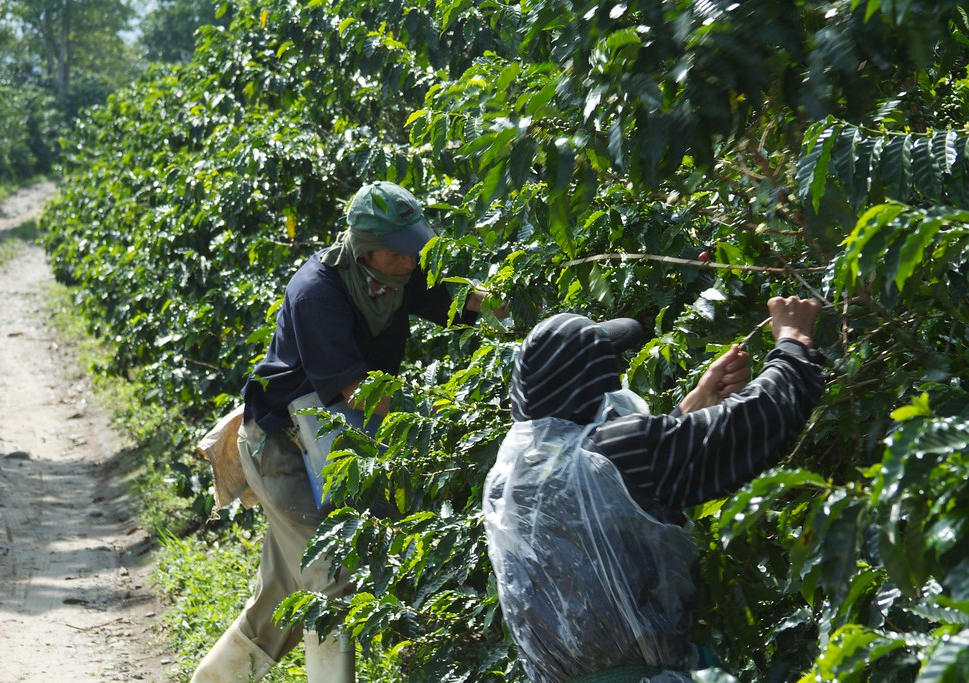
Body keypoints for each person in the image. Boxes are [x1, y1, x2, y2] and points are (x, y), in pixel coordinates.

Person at [192, 181, 493, 683]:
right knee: (332, 584)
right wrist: (442, 418)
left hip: (330, 445)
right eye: (402, 252)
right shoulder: (317, 292)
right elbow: (357, 392)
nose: (413, 261)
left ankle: (214, 680)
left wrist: (516, 299)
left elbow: (464, 299)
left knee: (285, 593)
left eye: (416, 251)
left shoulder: (399, 273)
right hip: (282, 449)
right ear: (367, 249)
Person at [483, 296, 824, 682]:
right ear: (597, 383)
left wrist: (694, 407)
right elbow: (760, 421)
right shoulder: (617, 450)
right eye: (613, 367)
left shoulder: (510, 477)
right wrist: (793, 342)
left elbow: (621, 501)